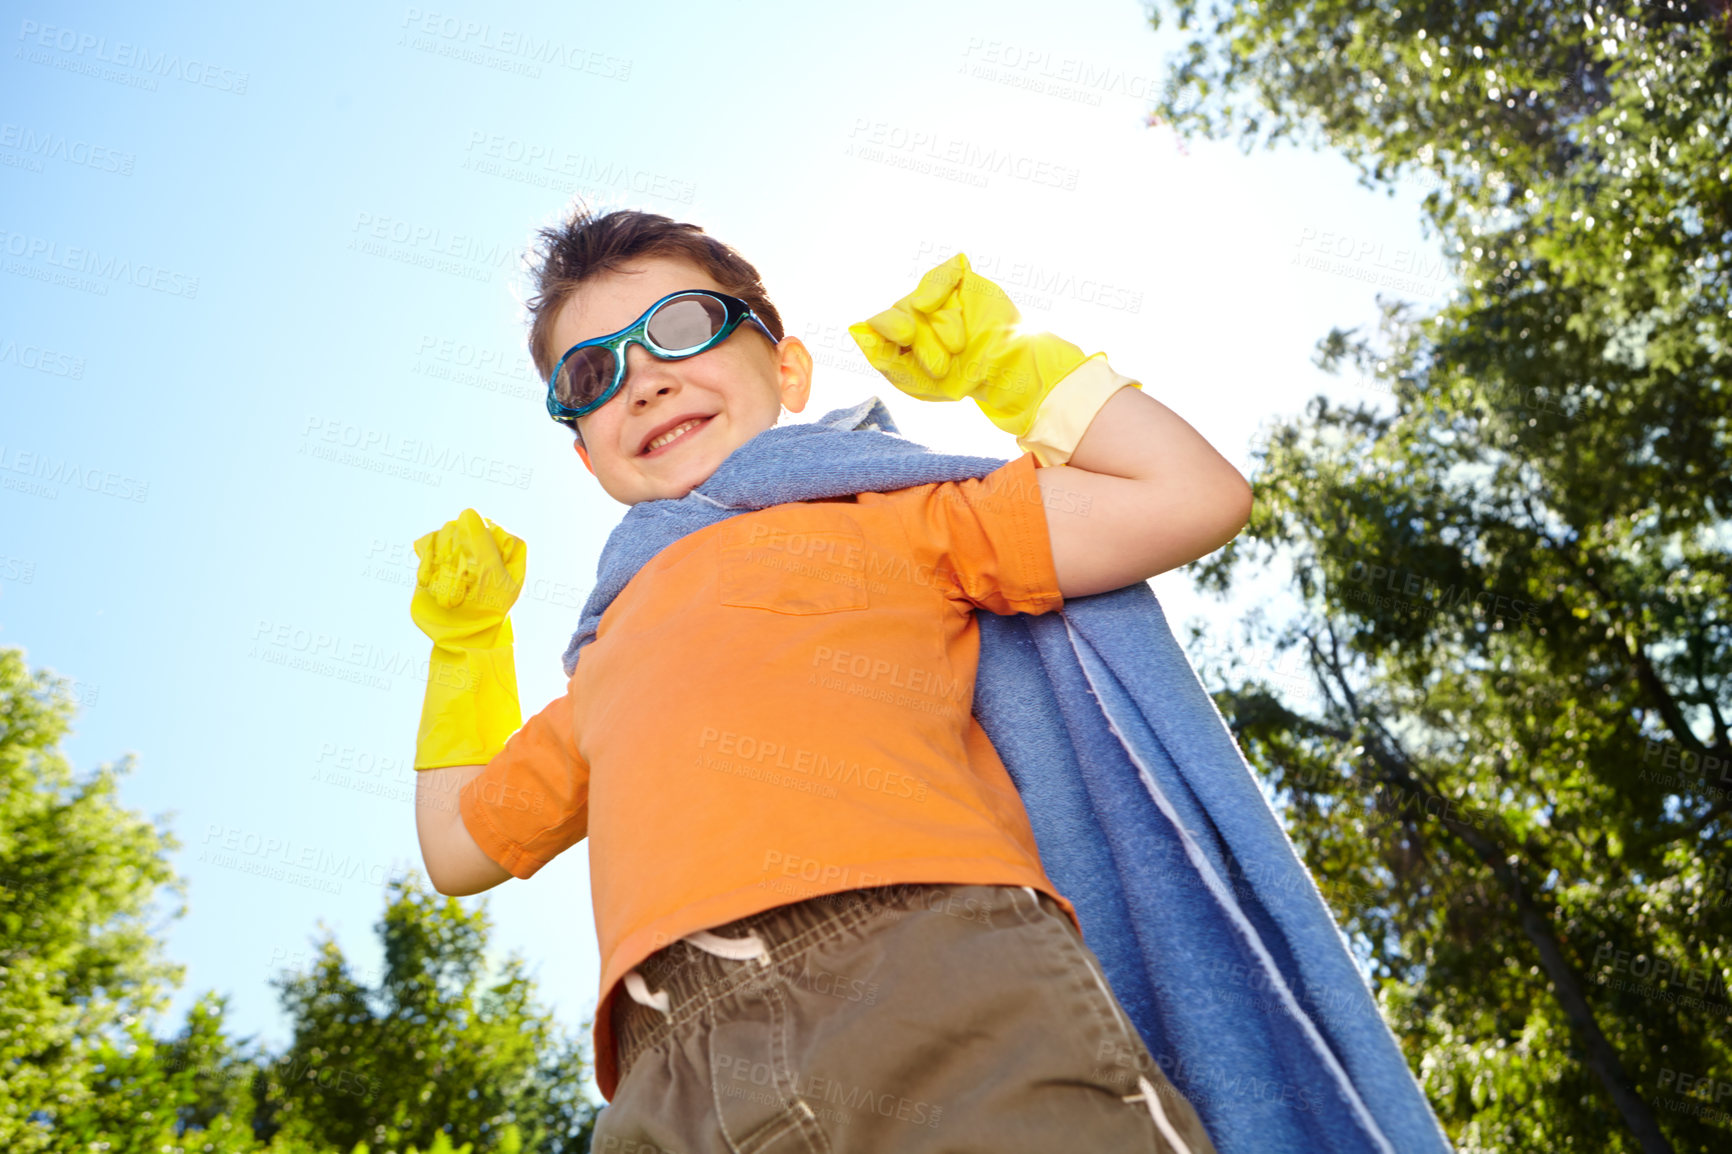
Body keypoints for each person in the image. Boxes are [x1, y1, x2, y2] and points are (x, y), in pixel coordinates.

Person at [409, 206, 1252, 1152]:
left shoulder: (889, 514)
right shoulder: (605, 662)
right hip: (670, 1073)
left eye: (682, 326)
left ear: (788, 369)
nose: (642, 379)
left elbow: (1193, 496)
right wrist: (468, 644)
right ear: (584, 448)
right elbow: (456, 848)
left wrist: (1011, 360)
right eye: (593, 374)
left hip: (935, 973)